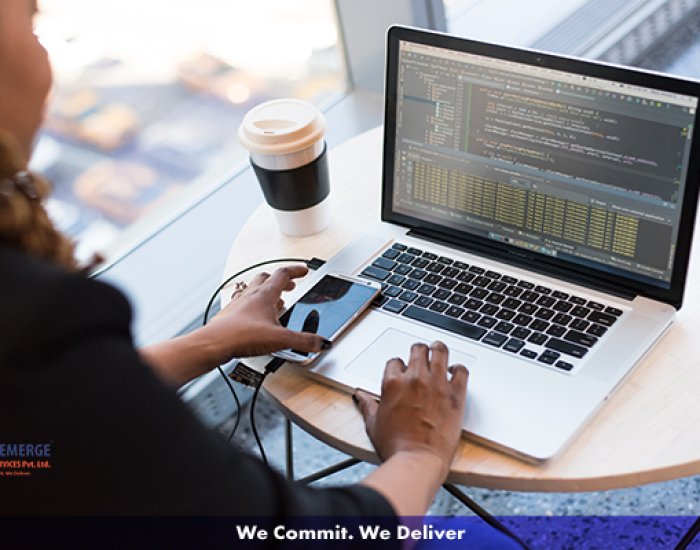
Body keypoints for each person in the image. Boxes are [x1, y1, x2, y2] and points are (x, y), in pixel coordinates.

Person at [0, 0, 470, 526]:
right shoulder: (36, 321)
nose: (38, 15)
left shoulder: (33, 351)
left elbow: (44, 428)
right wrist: (419, 454)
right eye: (27, 18)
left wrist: (212, 340)